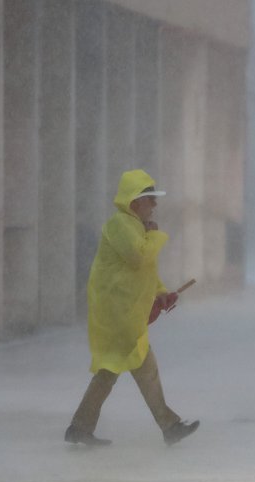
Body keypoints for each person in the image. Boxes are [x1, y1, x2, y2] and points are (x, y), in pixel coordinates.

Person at [65, 169, 199, 446]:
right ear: (134, 202)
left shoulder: (135, 228)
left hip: (125, 315)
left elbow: (145, 273)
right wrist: (155, 237)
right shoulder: (120, 225)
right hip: (116, 315)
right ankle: (169, 425)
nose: (155, 205)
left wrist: (161, 294)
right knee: (142, 367)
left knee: (110, 372)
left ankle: (80, 427)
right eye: (150, 199)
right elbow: (138, 258)